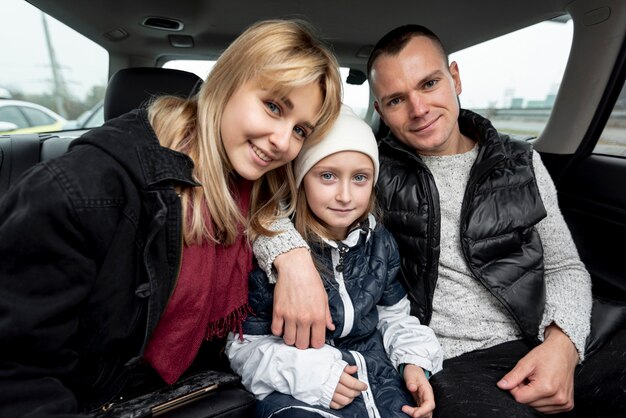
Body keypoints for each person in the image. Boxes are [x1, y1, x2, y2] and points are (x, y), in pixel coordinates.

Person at [254, 24, 626, 417]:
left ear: (455, 78)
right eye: (397, 100)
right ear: (380, 111)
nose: (419, 109)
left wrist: (562, 345)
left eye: (429, 83)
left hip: (548, 334)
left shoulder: (521, 160)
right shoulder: (370, 171)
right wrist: (292, 258)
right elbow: (269, 203)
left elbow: (566, 265)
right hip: (458, 360)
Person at [0, 19, 342, 416]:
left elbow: (271, 212)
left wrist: (293, 255)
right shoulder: (88, 190)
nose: (283, 142)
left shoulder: (253, 195)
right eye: (272, 106)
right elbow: (16, 374)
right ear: (225, 84)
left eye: (300, 129)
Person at [227, 105, 443, 418]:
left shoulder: (380, 243)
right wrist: (311, 374)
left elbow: (395, 318)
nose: (344, 195)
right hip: (300, 393)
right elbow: (244, 350)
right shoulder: (272, 255)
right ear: (301, 179)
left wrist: (414, 363)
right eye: (327, 176)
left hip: (379, 384)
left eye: (359, 178)